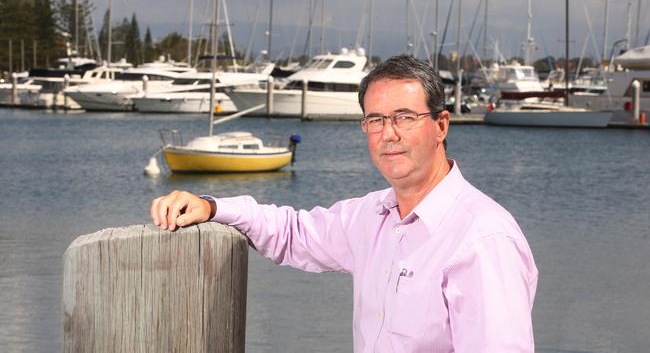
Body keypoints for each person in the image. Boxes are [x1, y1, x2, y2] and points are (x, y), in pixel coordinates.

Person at [151, 54, 538, 352]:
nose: (389, 134)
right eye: (375, 120)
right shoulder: (372, 217)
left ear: (440, 125)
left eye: (404, 117)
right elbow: (292, 233)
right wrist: (211, 207)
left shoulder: (483, 239)